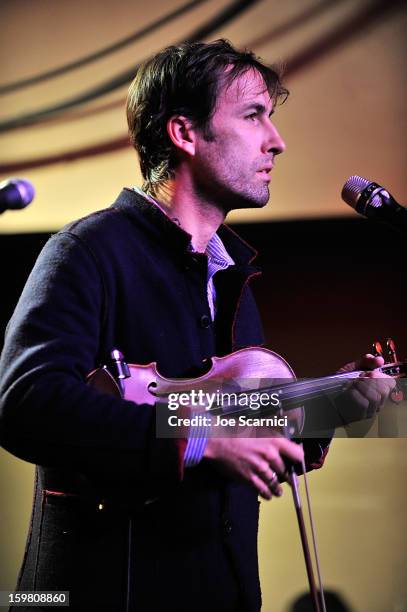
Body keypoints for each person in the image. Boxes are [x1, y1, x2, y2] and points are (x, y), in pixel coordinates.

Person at [0, 40, 392, 612]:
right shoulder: (87, 251)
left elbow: (233, 421)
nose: (276, 142)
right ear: (185, 134)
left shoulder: (230, 274)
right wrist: (199, 439)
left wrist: (334, 405)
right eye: (254, 116)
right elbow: (24, 403)